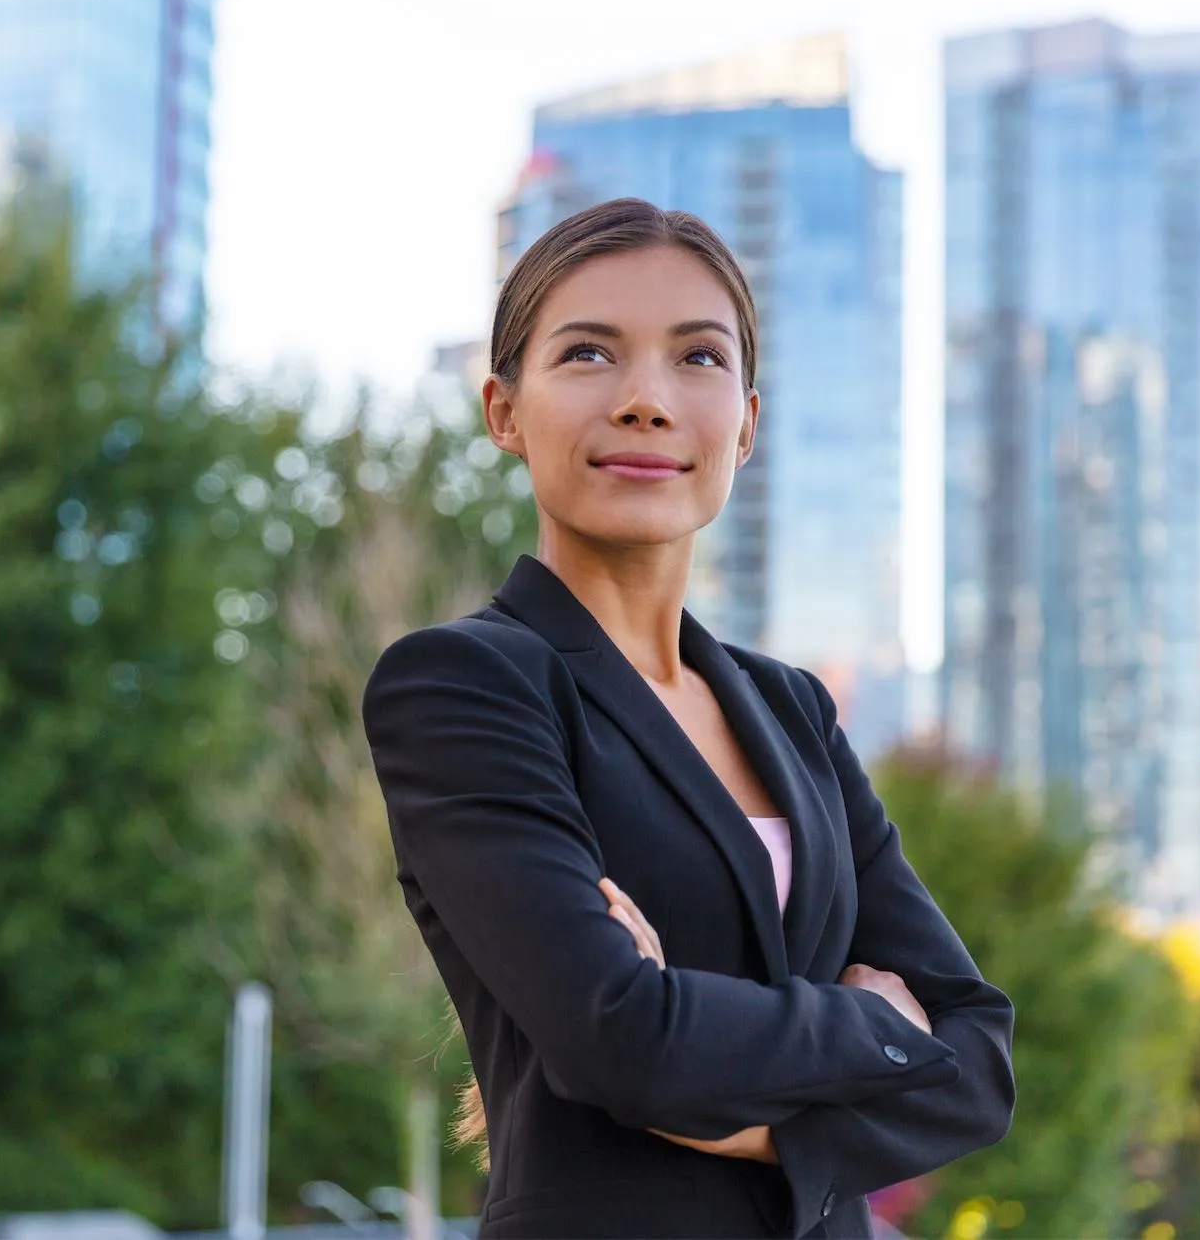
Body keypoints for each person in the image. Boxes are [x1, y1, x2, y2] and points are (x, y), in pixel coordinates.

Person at [360, 199, 1015, 1239]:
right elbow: (619, 1037)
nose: (645, 401)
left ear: (745, 423)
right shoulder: (462, 685)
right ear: (503, 410)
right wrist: (877, 1026)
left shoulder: (791, 709)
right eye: (586, 353)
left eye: (696, 358)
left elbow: (976, 1058)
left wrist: (717, 1089)